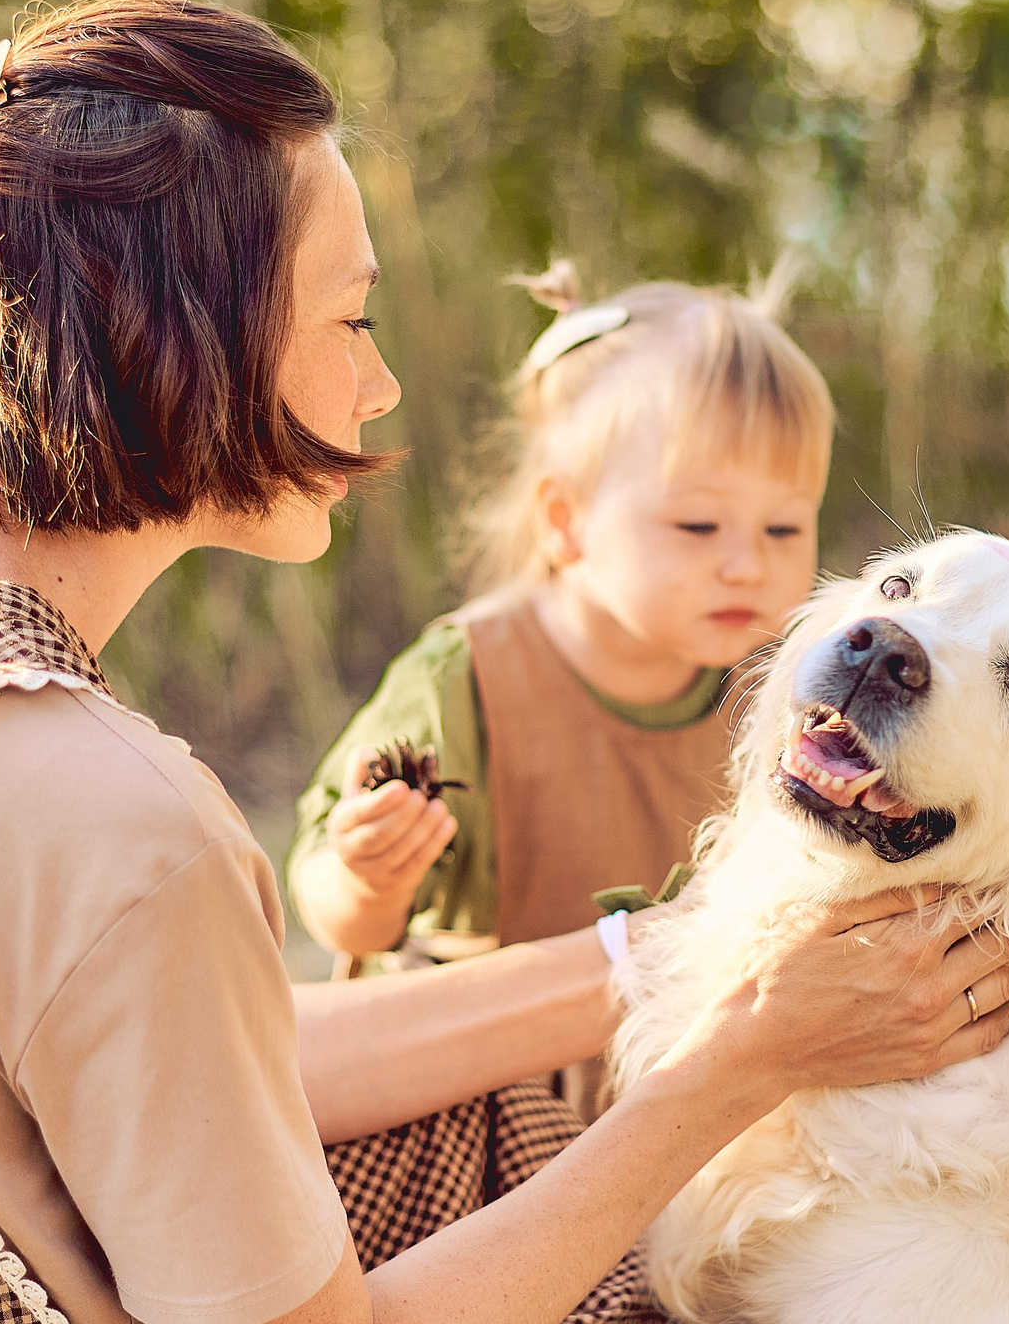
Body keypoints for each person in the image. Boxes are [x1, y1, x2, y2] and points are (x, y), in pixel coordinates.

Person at [0, 0, 1009, 1324]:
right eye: (352, 320)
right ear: (188, 334)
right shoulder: (109, 812)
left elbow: (228, 1050)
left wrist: (656, 962)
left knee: (496, 1119)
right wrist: (730, 1068)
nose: (380, 383)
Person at [289, 274, 831, 1004]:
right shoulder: (468, 682)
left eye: (785, 528)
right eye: (698, 525)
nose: (749, 564)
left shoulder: (780, 689)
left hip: (684, 1081)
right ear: (566, 520)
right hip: (484, 1080)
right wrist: (366, 878)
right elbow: (334, 912)